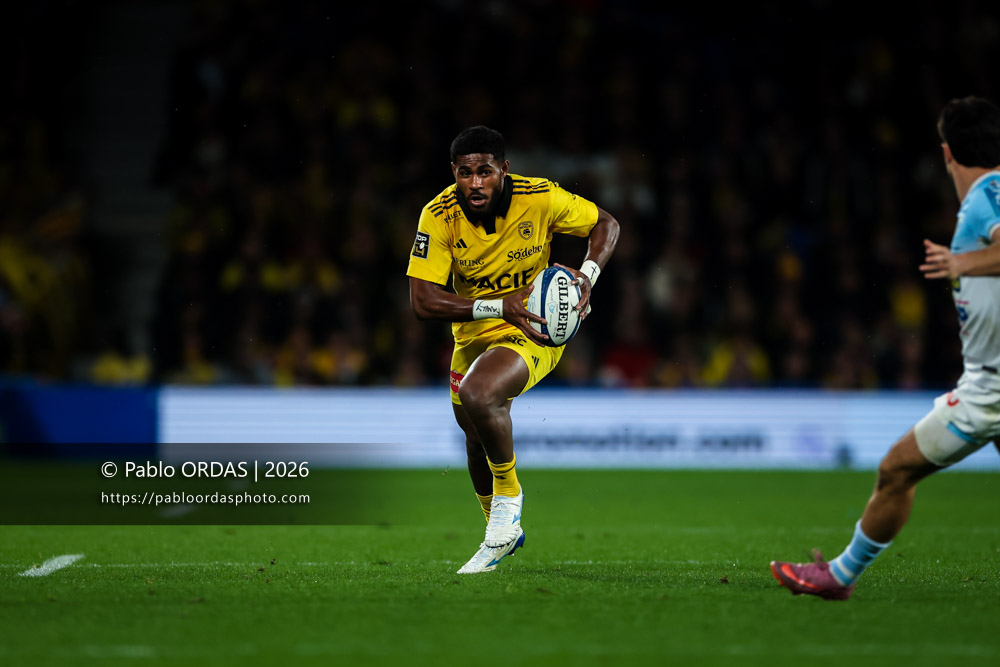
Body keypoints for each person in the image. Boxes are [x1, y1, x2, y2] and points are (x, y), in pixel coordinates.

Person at [770, 95, 1000, 600]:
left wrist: (963, 265)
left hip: (992, 388)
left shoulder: (988, 195)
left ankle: (838, 575)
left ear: (946, 154)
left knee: (897, 468)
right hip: (988, 380)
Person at [407, 126, 619, 574]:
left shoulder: (539, 197)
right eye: (465, 173)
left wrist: (587, 275)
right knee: (472, 438)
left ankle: (509, 497)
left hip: (534, 327)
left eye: (485, 171)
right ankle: (499, 533)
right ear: (454, 173)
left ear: (504, 169)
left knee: (480, 393)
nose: (475, 183)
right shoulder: (438, 215)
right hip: (474, 334)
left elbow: (606, 224)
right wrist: (498, 305)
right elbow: (423, 302)